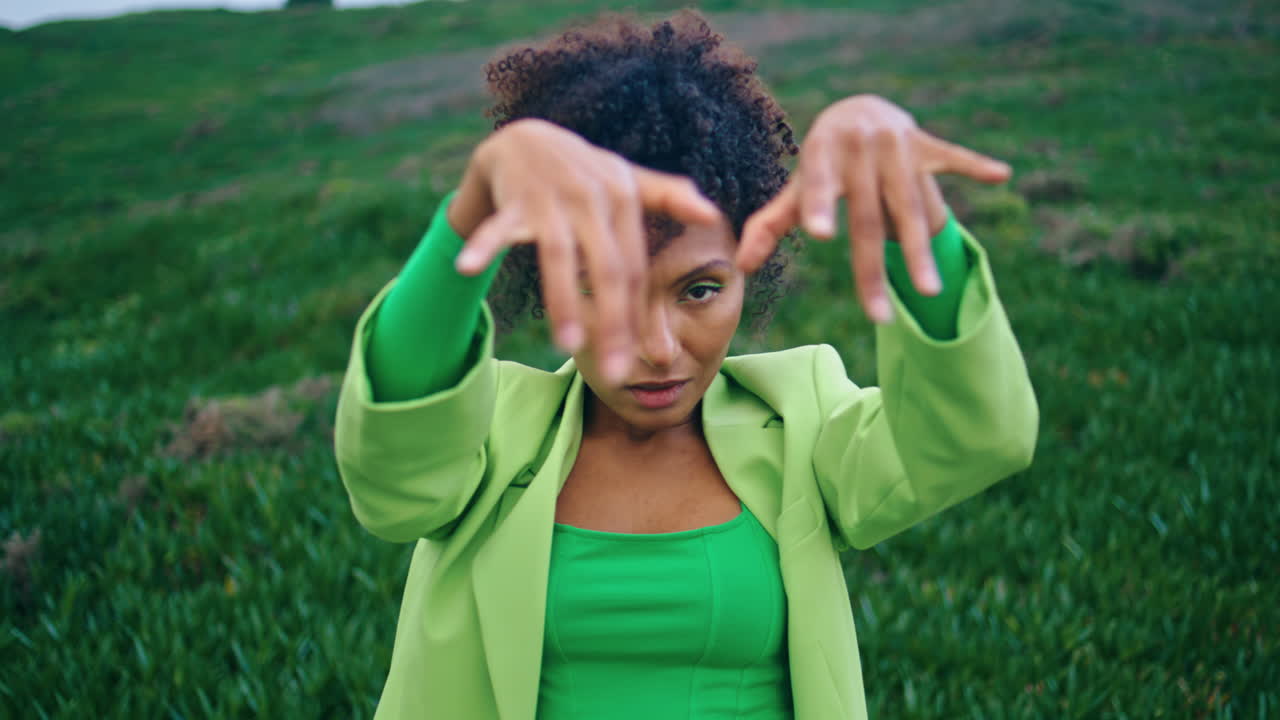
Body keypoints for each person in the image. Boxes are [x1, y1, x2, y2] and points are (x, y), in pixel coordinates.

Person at [333, 10, 1038, 720]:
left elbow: (973, 438)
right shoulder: (491, 438)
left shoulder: (802, 421)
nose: (660, 348)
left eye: (699, 289)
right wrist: (471, 215)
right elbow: (396, 480)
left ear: (747, 273)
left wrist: (909, 214)